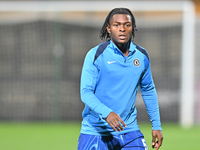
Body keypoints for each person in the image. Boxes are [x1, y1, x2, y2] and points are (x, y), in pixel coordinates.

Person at [78, 8, 163, 150]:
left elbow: (148, 90)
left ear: (132, 28)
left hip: (129, 130)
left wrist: (156, 125)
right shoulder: (96, 55)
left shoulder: (141, 56)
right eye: (116, 25)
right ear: (109, 28)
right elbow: (86, 92)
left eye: (127, 25)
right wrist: (107, 113)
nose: (122, 29)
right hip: (96, 132)